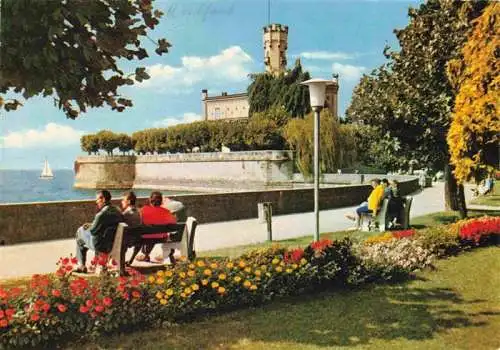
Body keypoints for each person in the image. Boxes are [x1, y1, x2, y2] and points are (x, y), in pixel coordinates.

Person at [75, 190, 123, 273]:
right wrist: (92, 224)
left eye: (97, 199)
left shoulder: (101, 215)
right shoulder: (118, 211)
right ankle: (97, 264)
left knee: (80, 234)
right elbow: (105, 225)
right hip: (113, 242)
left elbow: (93, 231)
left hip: (101, 245)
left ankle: (81, 265)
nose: (96, 202)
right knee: (83, 234)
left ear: (103, 199)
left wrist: (87, 228)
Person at [135, 191, 177, 263]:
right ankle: (147, 254)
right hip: (161, 237)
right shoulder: (166, 211)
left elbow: (138, 223)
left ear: (150, 199)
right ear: (161, 201)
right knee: (155, 234)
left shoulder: (143, 210)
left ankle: (146, 254)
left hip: (145, 237)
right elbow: (174, 223)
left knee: (148, 234)